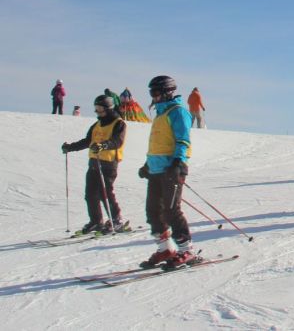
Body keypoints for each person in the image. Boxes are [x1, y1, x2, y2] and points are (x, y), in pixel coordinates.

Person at [138, 75, 197, 269]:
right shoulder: (160, 114)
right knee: (153, 212)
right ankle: (165, 249)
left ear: (167, 92)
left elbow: (183, 140)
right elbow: (157, 143)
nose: (153, 97)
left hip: (172, 168)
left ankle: (186, 250)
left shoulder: (178, 112)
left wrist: (178, 163)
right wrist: (148, 165)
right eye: (151, 93)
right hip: (156, 170)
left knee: (171, 211)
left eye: (156, 92)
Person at [61, 95, 130, 234]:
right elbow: (88, 141)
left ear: (109, 109)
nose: (98, 112)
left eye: (100, 109)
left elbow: (117, 141)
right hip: (94, 162)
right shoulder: (96, 125)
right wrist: (70, 147)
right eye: (96, 109)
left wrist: (103, 145)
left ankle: (116, 219)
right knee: (90, 194)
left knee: (105, 193)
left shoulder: (119, 123)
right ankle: (96, 221)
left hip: (108, 163)